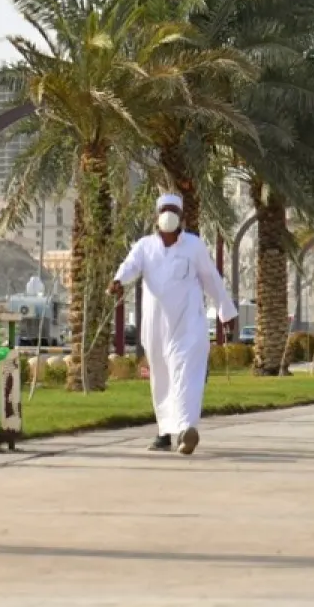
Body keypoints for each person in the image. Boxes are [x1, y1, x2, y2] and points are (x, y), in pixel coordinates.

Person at [108, 193, 236, 455]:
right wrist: (119, 280)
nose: (167, 215)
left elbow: (211, 278)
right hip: (156, 327)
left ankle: (187, 429)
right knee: (162, 377)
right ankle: (165, 432)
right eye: (163, 210)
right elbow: (130, 265)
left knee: (186, 372)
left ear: (182, 218)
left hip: (188, 324)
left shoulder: (193, 246)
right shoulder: (145, 246)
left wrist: (226, 312)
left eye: (172, 210)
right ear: (156, 216)